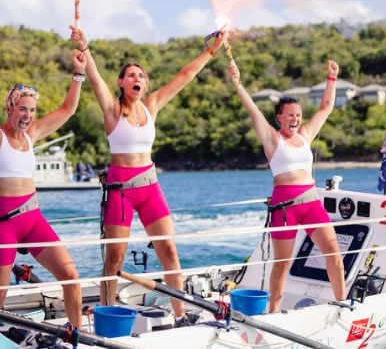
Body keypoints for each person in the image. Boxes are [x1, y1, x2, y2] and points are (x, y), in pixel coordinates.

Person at [70, 24, 227, 327]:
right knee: (114, 259)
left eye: (141, 75)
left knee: (168, 249)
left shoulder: (152, 105)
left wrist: (211, 50)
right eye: (131, 75)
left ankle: (180, 314)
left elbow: (184, 76)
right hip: (120, 191)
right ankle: (106, 315)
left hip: (150, 187)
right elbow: (95, 78)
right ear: (121, 82)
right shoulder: (113, 110)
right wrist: (85, 47)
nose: (137, 79)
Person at [0, 30, 85, 328]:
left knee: (72, 276)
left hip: (34, 220)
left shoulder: (32, 134)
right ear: (9, 107)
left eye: (32, 110)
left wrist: (78, 74)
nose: (27, 115)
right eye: (22, 109)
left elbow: (69, 109)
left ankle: (76, 339)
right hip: (2, 225)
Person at [228, 59, 346, 312]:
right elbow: (253, 111)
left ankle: (342, 303)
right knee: (282, 263)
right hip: (285, 208)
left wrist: (332, 78)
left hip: (312, 203)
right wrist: (238, 84)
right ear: (279, 117)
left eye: (298, 115)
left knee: (334, 253)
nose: (295, 119)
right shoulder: (272, 139)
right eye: (290, 115)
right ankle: (273, 313)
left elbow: (326, 107)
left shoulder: (305, 136)